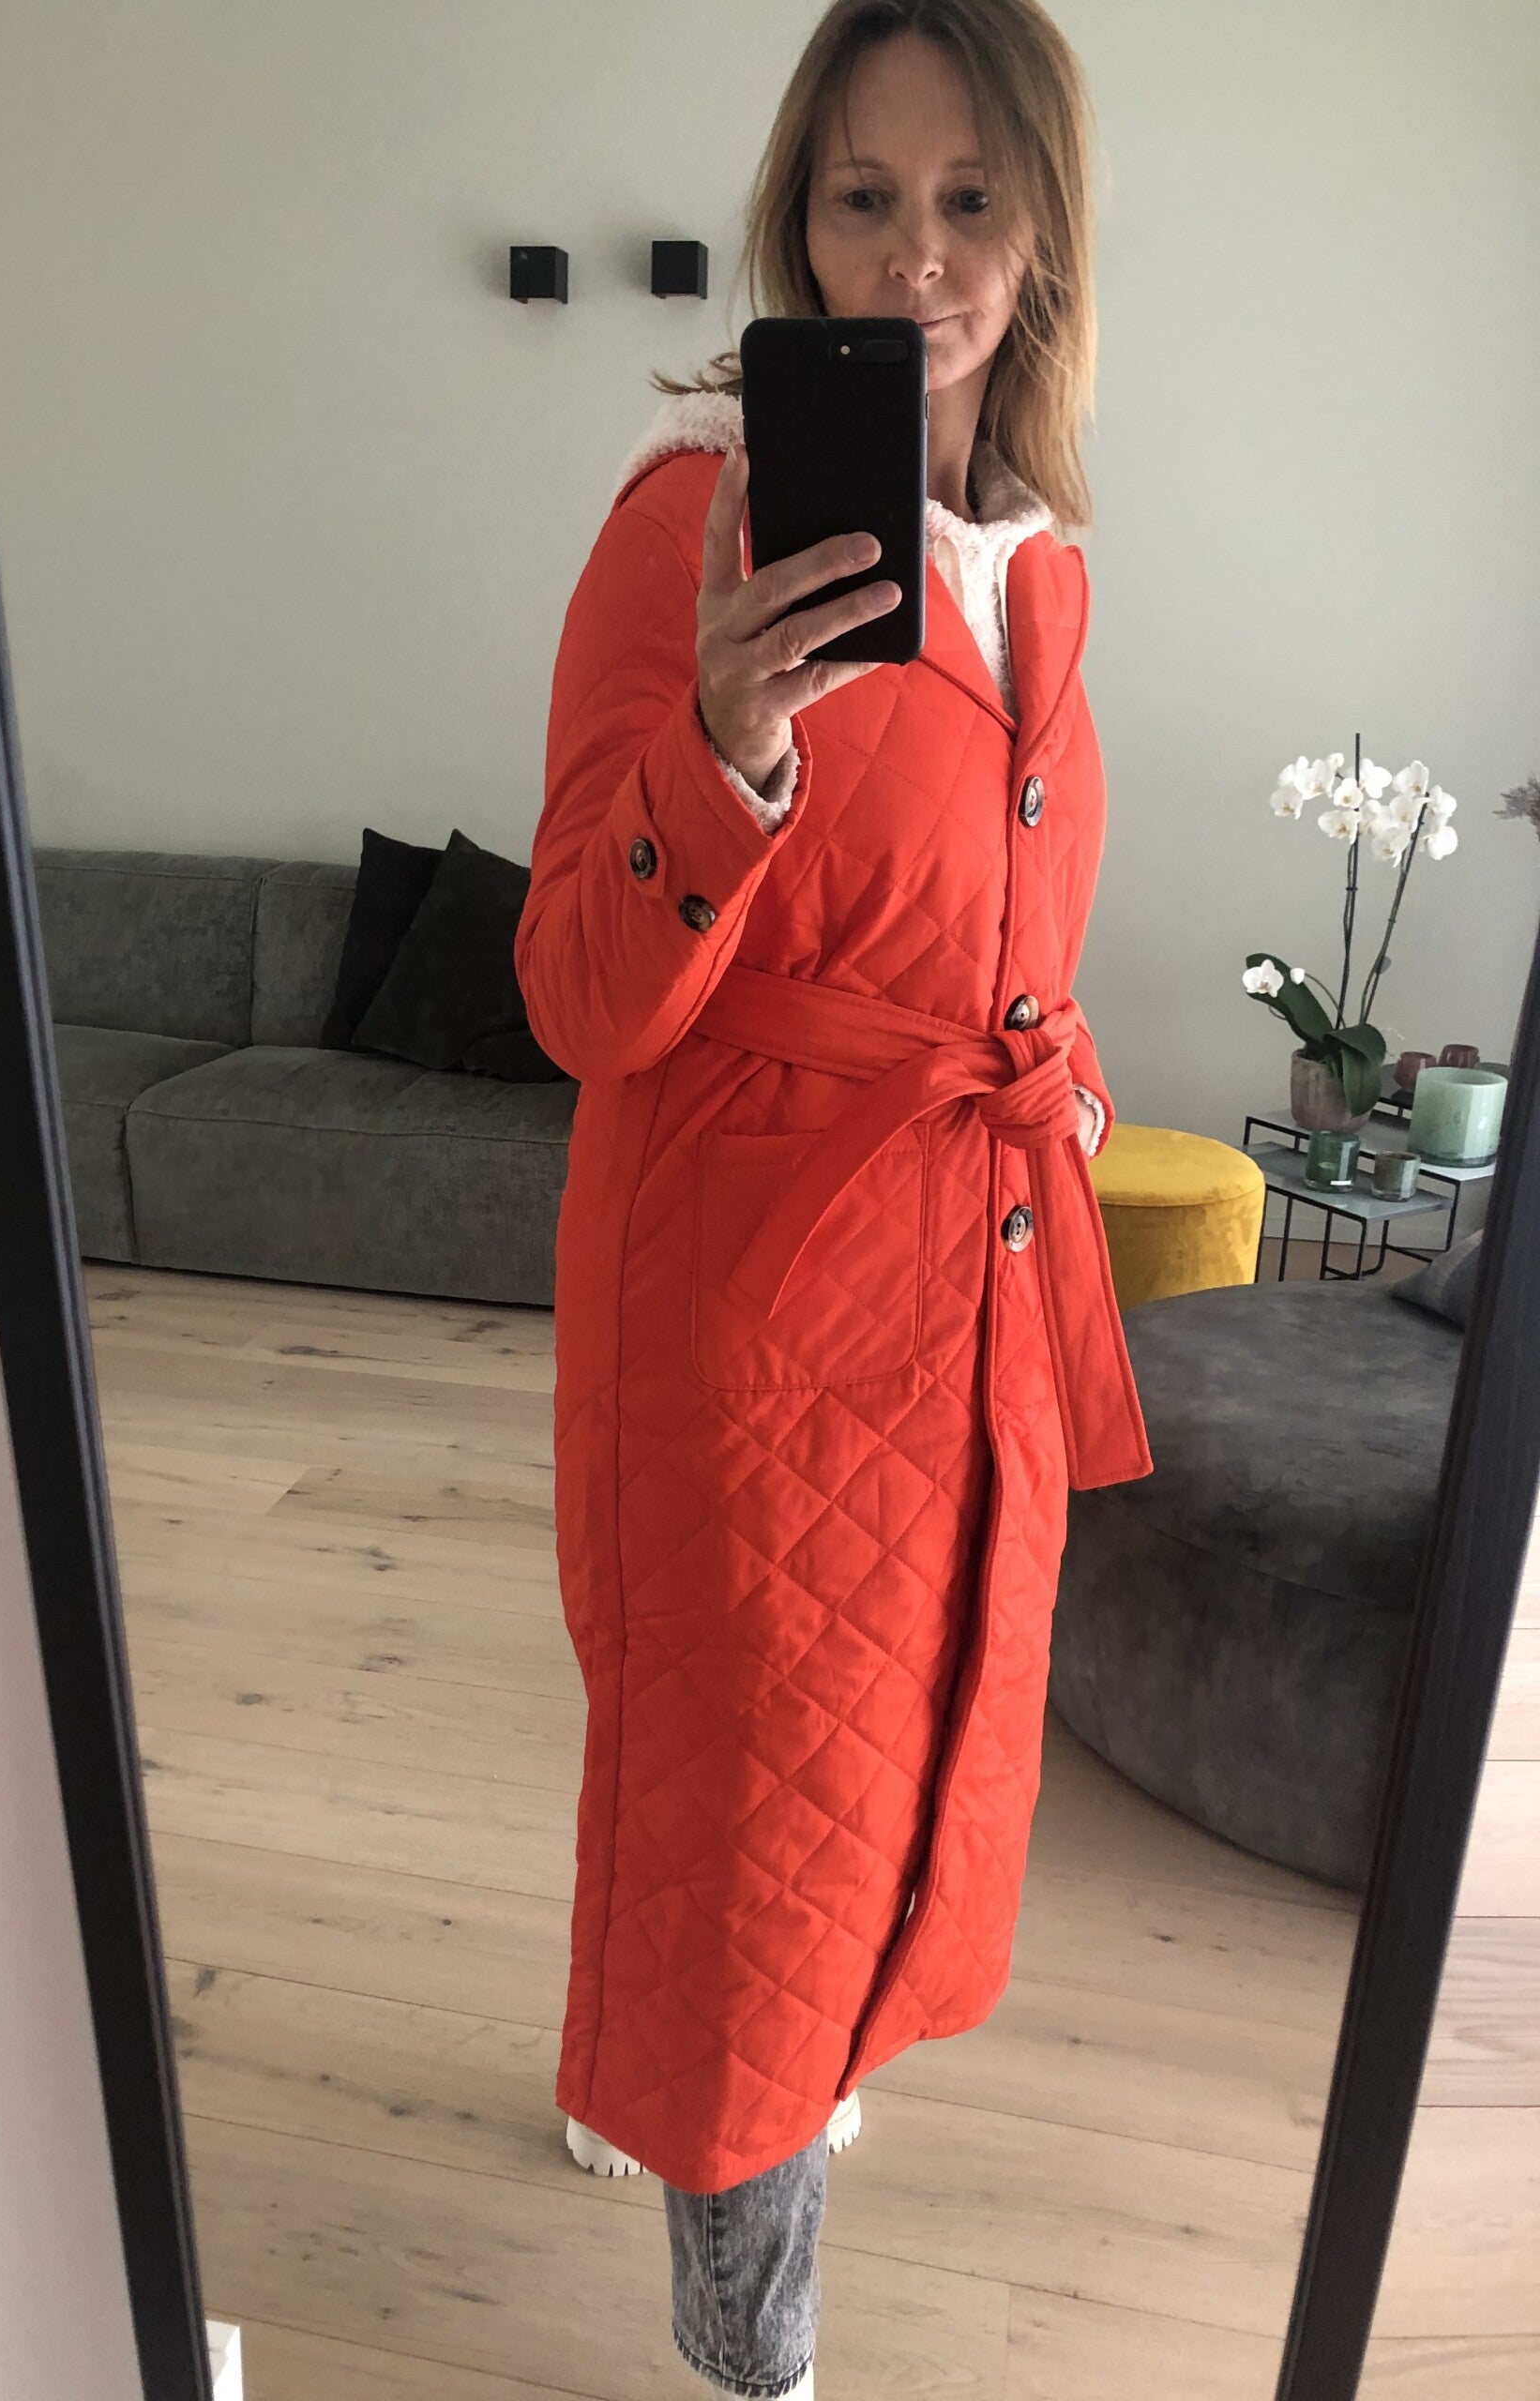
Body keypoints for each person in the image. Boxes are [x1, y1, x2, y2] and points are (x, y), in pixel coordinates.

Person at [513, 3, 1152, 2392]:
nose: (918, 259)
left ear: (1045, 230)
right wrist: (728, 736)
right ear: (799, 220)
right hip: (756, 1317)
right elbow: (578, 990)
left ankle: (736, 2106)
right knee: (749, 1866)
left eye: (971, 201)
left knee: (871, 1802)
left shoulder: (1038, 574)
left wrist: (1061, 1083)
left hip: (964, 1303)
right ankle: (751, 2357)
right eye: (866, 199)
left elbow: (1002, 929)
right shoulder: (684, 526)